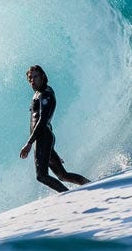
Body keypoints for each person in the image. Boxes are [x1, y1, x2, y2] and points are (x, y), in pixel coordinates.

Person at [18, 64, 90, 193]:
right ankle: (89, 184)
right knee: (63, 175)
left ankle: (68, 194)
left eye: (35, 77)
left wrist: (29, 143)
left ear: (43, 76)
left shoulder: (45, 94)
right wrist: (50, 150)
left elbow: (43, 120)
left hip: (43, 138)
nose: (32, 80)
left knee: (41, 176)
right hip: (43, 139)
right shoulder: (37, 94)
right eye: (30, 78)